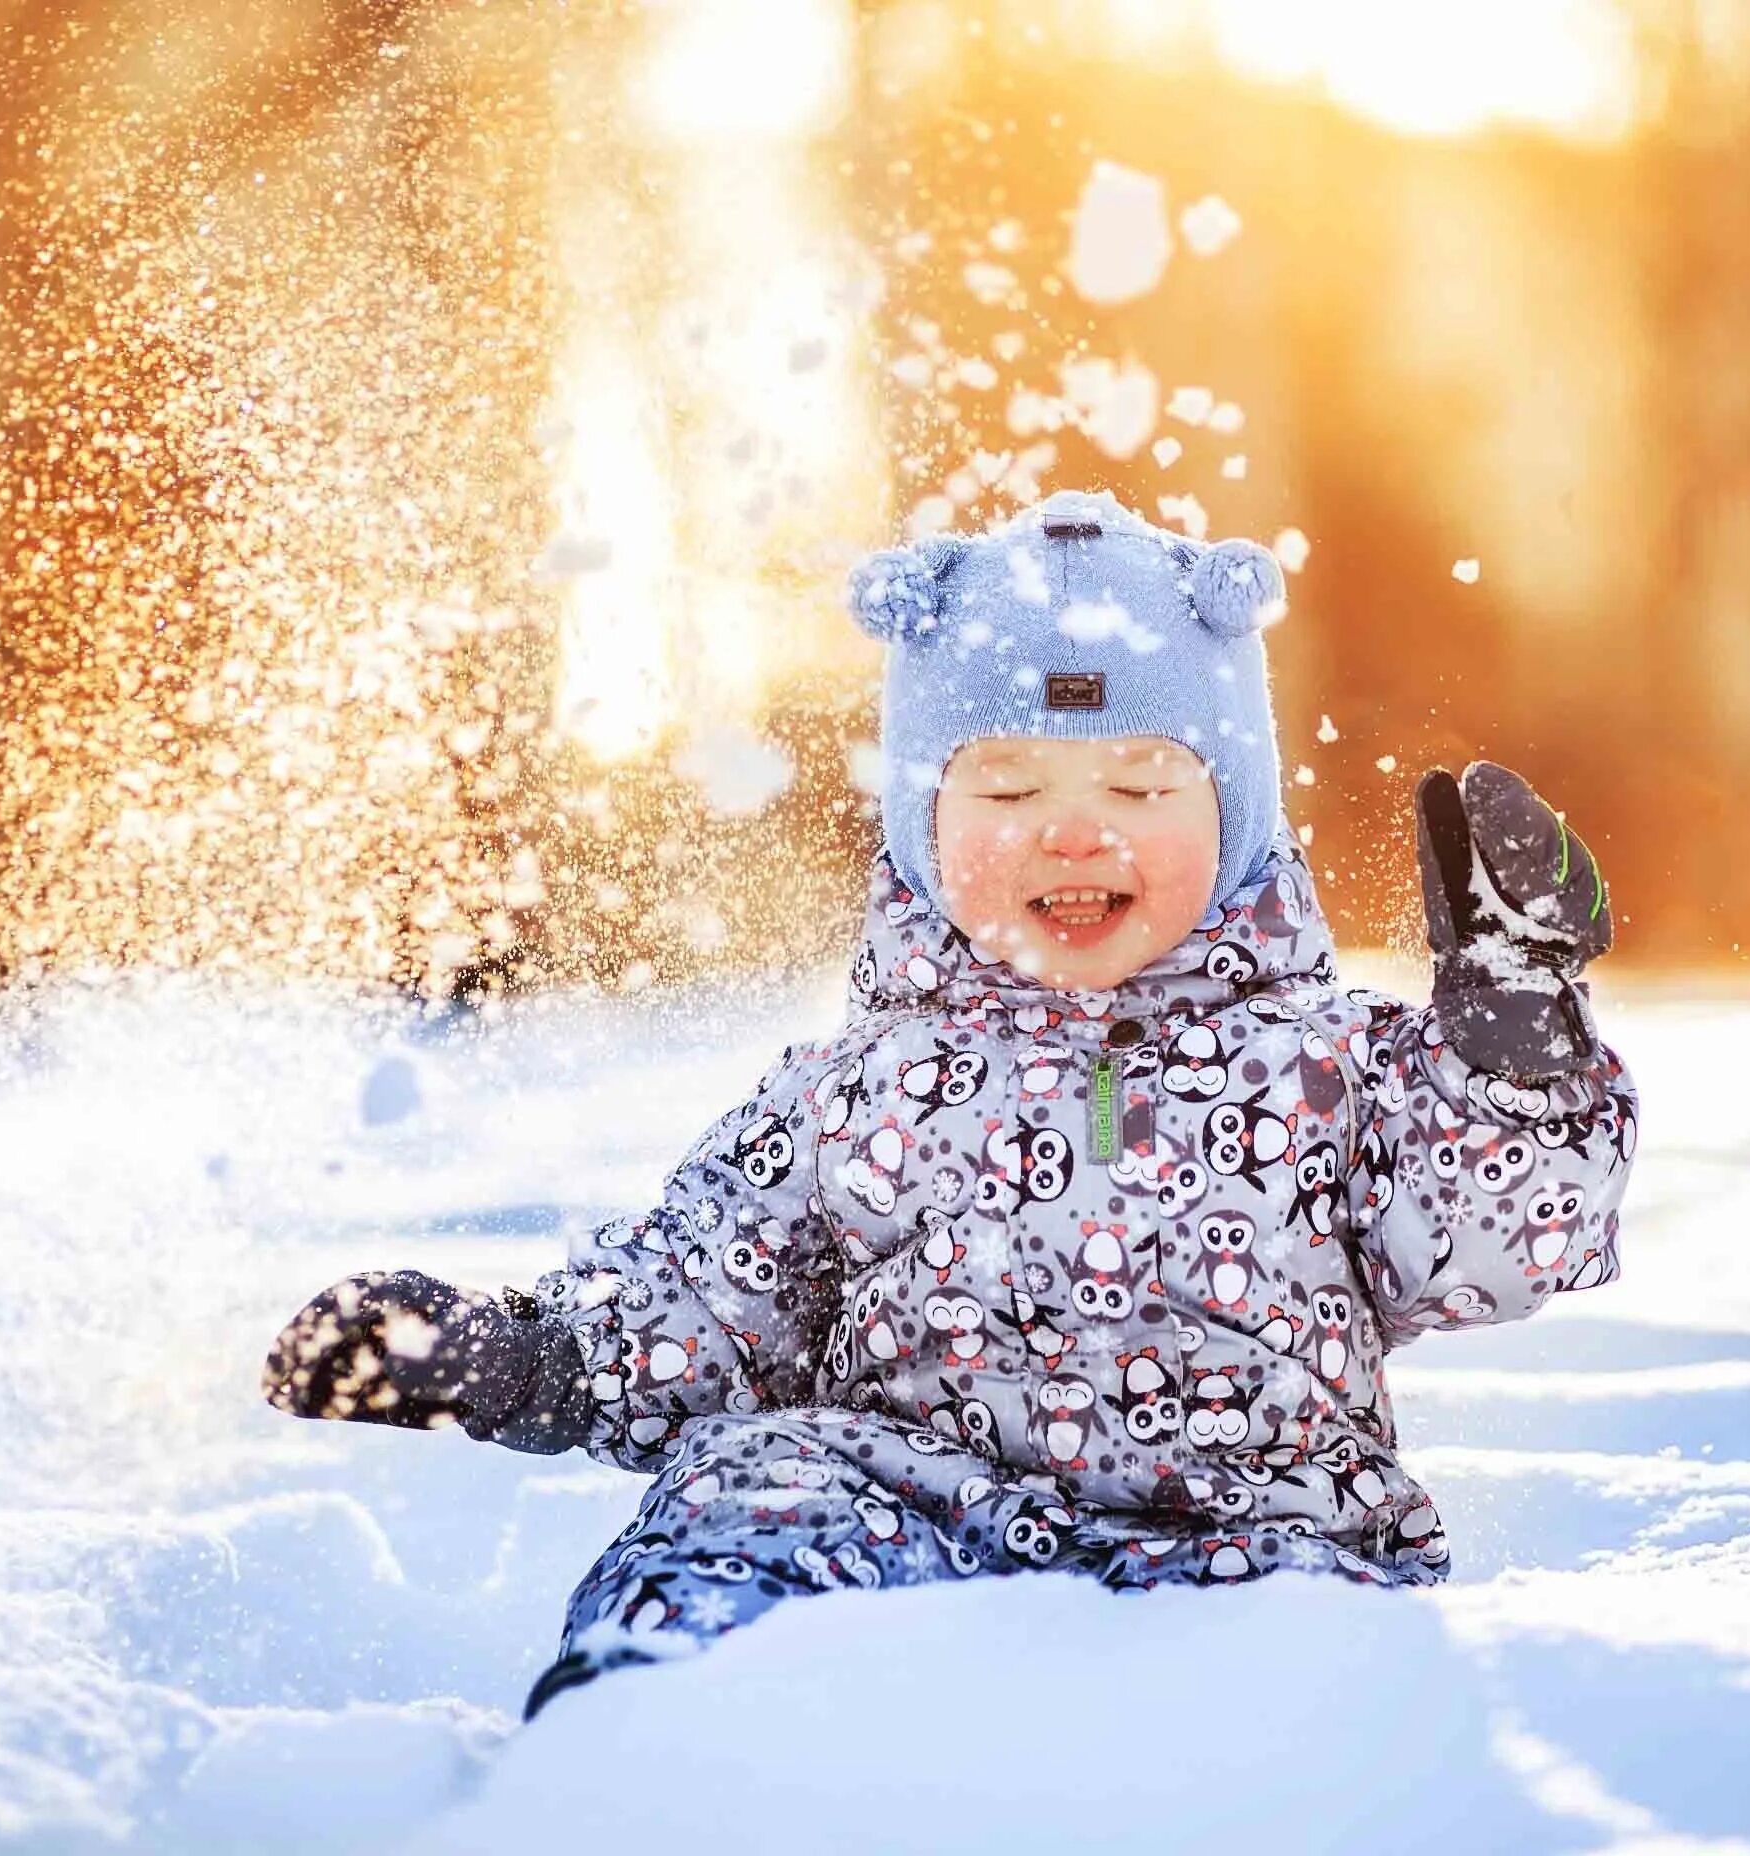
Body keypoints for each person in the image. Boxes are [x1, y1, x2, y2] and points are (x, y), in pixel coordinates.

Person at [262, 488, 1639, 1718]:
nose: (1074, 825)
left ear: (1241, 822)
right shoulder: (850, 1095)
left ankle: (1269, 1776)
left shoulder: (1335, 1069)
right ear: (924, 822)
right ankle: (661, 1739)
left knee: (1316, 1657)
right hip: (913, 1514)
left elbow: (1506, 1238)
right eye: (1008, 782)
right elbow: (700, 1308)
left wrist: (1516, 1043)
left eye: (1146, 781)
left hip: (1260, 1538)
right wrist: (518, 1361)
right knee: (752, 1483)